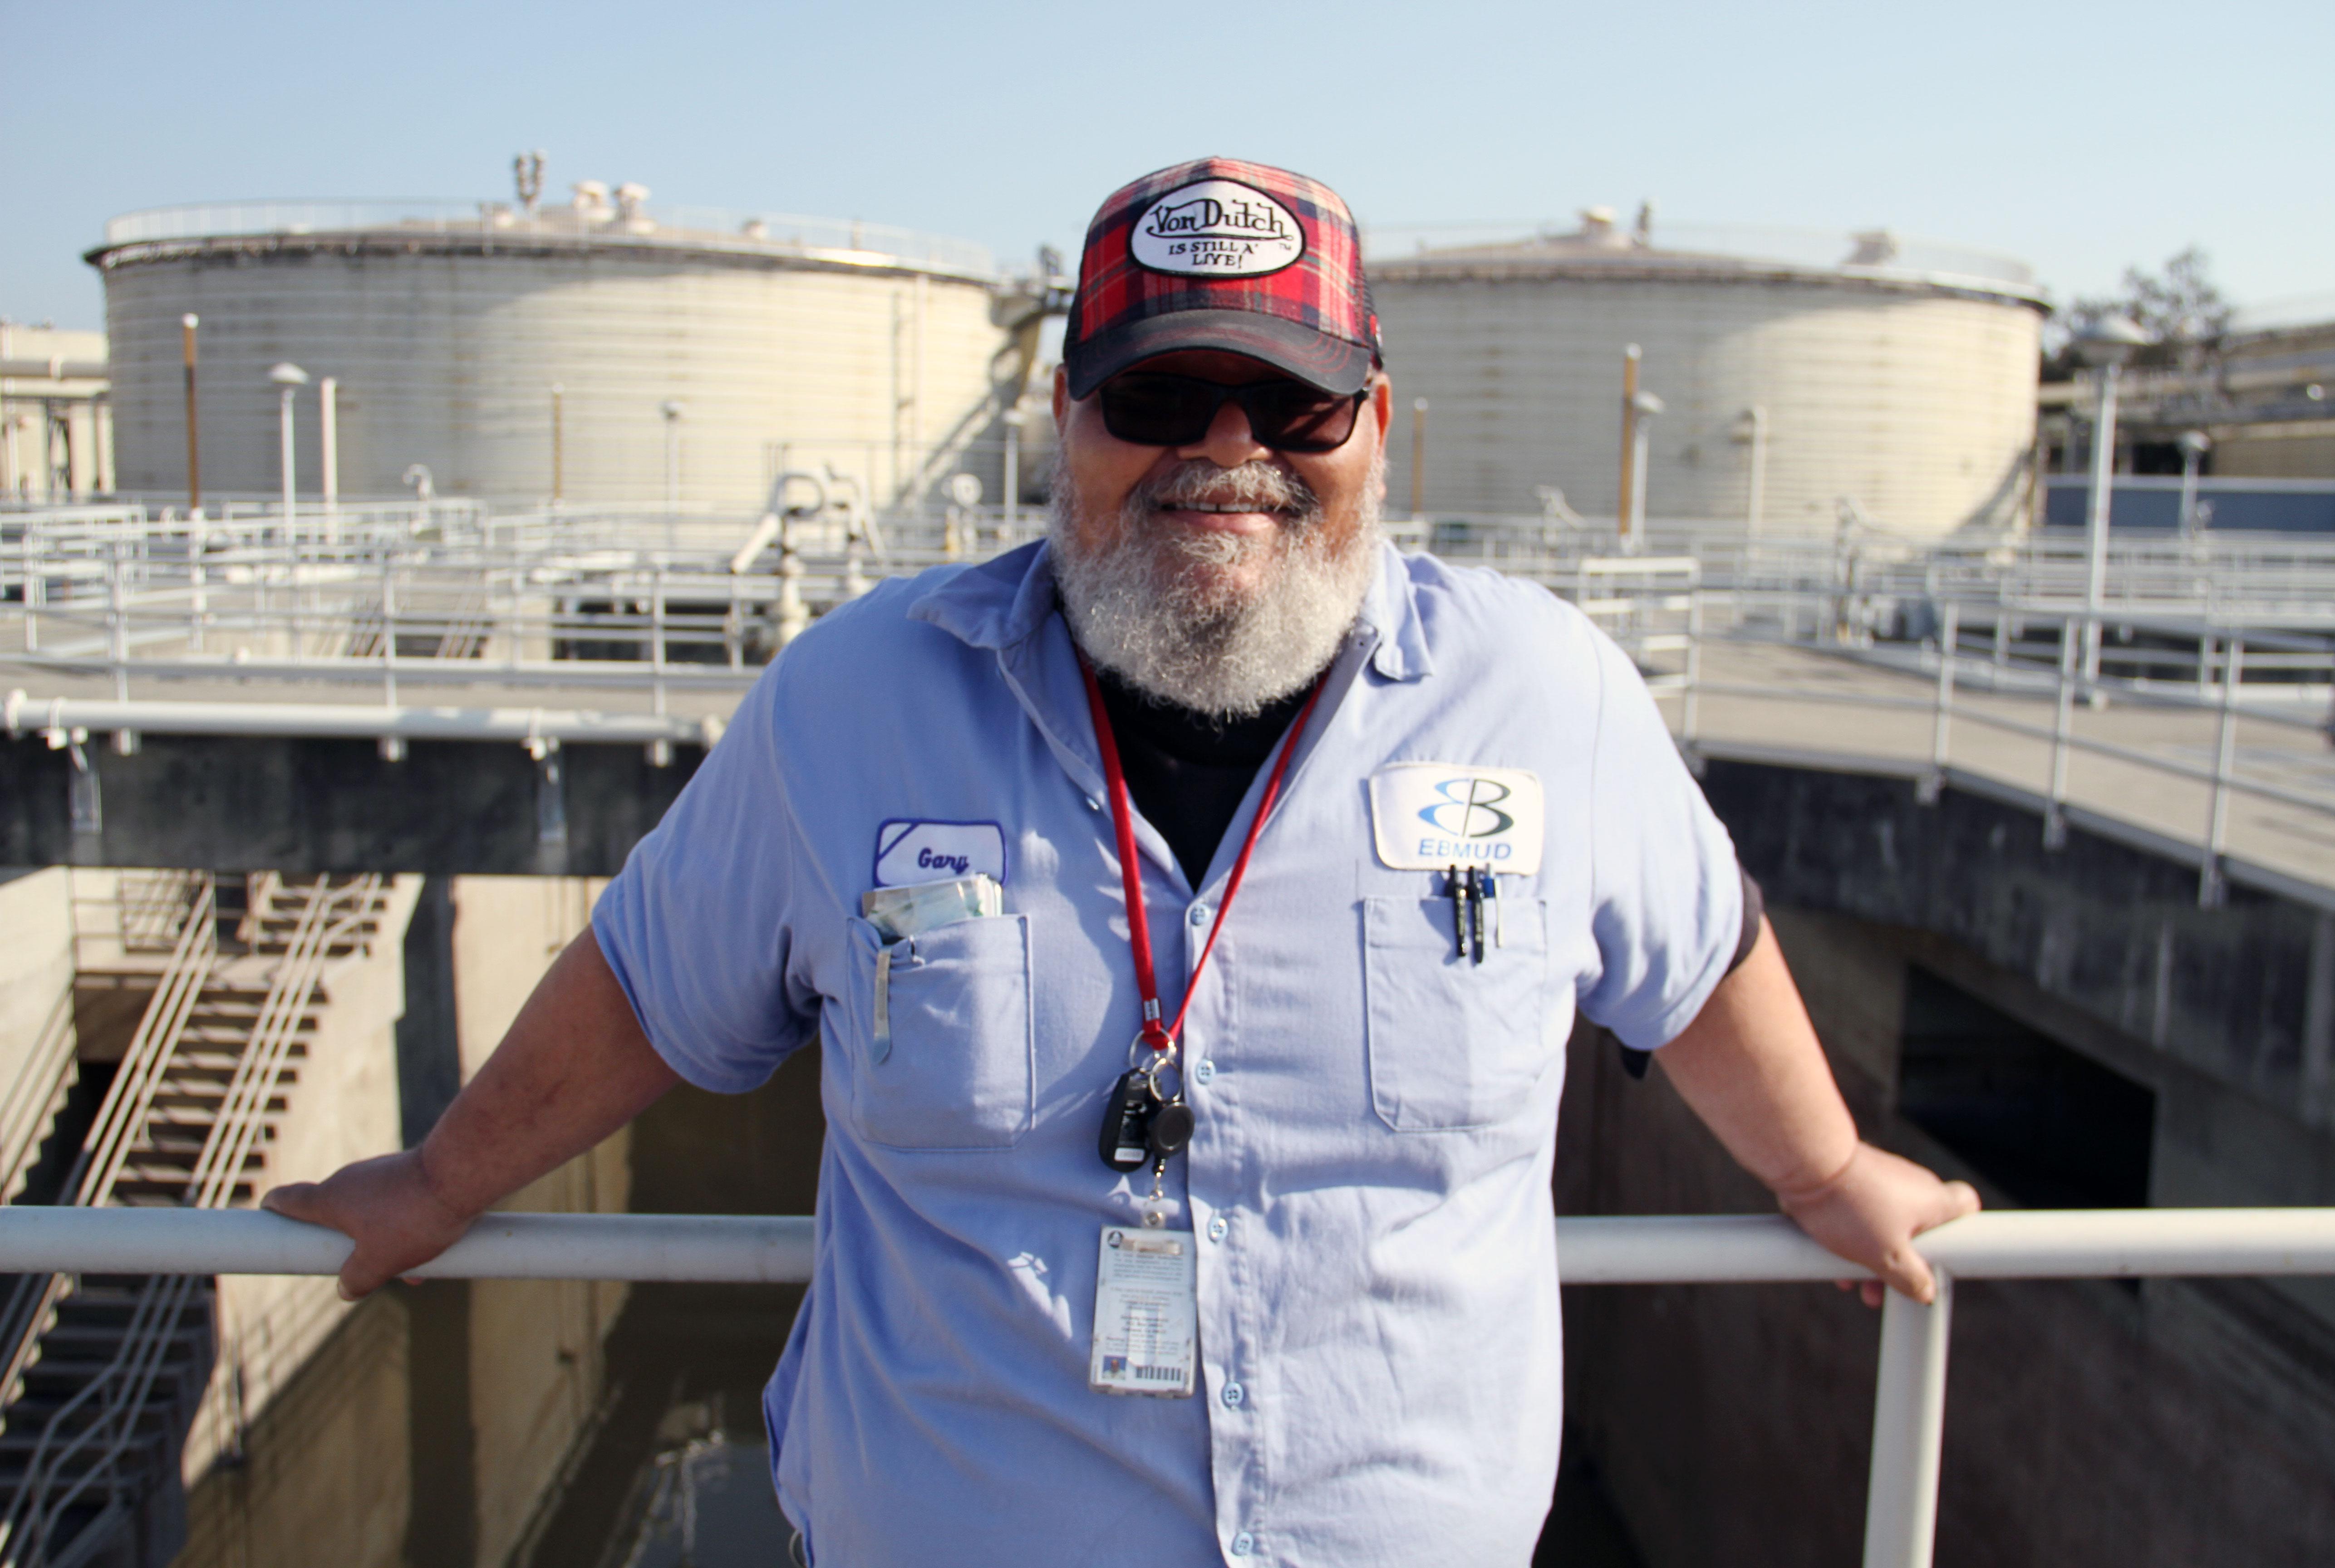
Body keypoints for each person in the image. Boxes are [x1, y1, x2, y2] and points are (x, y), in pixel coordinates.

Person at [267, 157, 1978, 1566]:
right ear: (1065, 415)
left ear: (1380, 422)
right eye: (1160, 394)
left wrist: (1823, 1173)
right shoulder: (849, 704)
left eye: (1291, 406)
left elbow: (1699, 954)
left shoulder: (1543, 697)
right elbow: (653, 984)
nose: (1223, 453)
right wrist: (442, 1182)